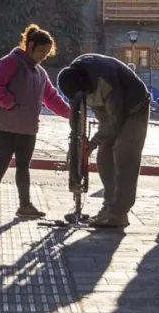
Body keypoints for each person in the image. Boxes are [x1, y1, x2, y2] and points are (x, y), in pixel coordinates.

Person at [0, 24, 70, 222]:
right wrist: (8, 103)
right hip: (6, 126)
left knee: (23, 167)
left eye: (46, 53)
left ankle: (25, 205)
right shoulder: (11, 62)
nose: (43, 56)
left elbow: (51, 97)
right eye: (40, 51)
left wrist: (70, 114)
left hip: (28, 128)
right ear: (29, 46)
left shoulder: (40, 72)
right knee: (0, 165)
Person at [56, 53, 151, 228]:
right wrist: (76, 145)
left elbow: (116, 120)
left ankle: (119, 213)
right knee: (104, 156)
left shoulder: (105, 80)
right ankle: (109, 207)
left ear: (87, 86)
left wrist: (92, 143)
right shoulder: (74, 78)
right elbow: (76, 112)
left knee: (124, 155)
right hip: (107, 110)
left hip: (133, 107)